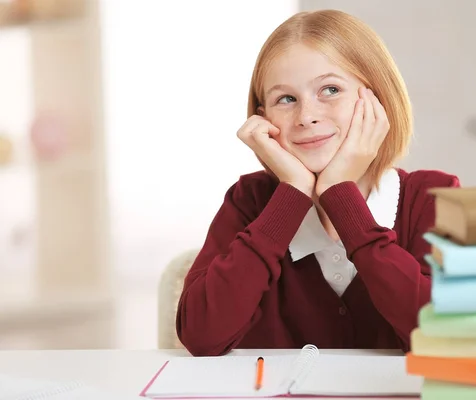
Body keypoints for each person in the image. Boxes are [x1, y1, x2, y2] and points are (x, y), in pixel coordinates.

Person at [176, 9, 460, 357]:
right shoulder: (249, 200)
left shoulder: (434, 197)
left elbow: (447, 336)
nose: (306, 116)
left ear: (378, 101)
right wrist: (293, 191)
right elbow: (202, 335)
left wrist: (341, 196)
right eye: (286, 99)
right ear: (262, 118)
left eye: (330, 89)